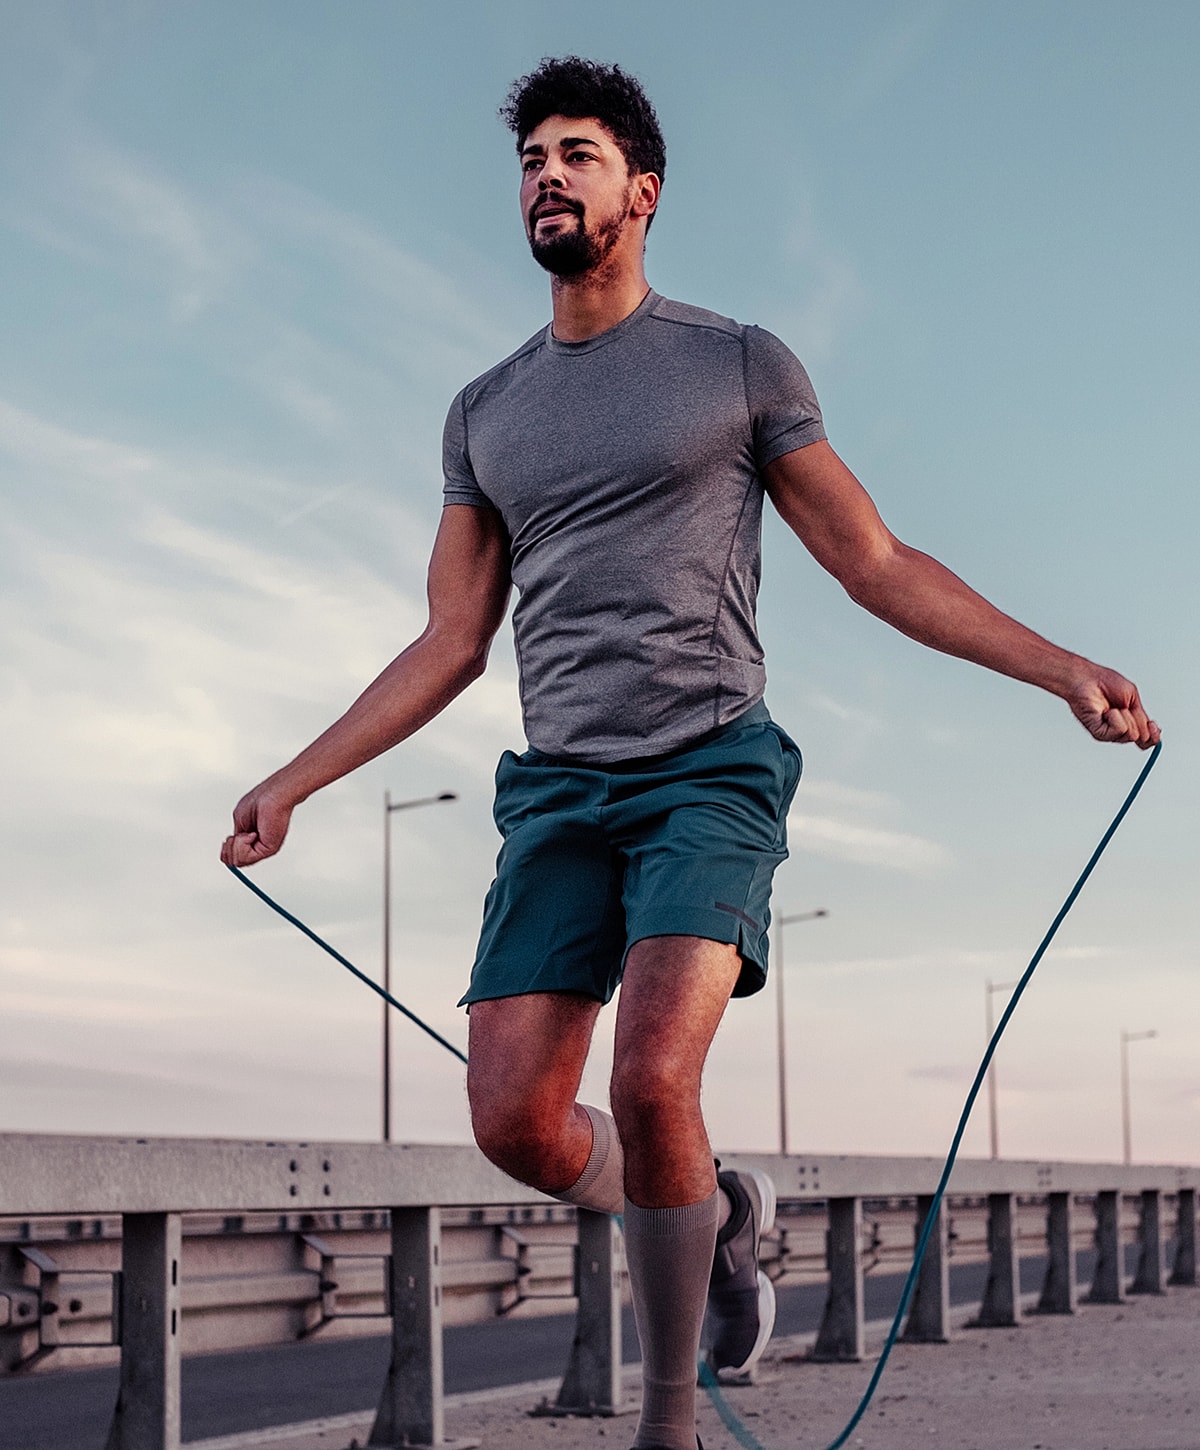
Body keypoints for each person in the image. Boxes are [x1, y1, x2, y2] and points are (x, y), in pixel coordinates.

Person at [221, 57, 1159, 1450]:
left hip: (707, 769)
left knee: (657, 1079)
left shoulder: (735, 362)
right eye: (533, 154)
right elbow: (447, 640)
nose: (547, 171)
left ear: (642, 192)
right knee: (515, 1121)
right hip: (556, 788)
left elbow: (876, 559)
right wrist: (292, 780)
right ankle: (723, 1210)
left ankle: (673, 1420)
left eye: (579, 153)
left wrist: (1062, 669)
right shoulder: (485, 410)